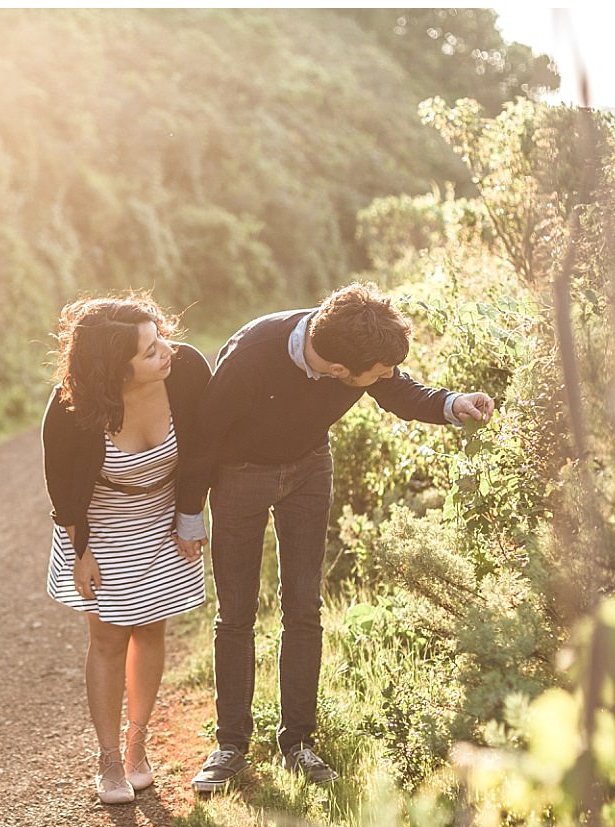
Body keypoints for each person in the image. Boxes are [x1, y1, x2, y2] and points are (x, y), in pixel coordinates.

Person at [172, 282, 495, 793]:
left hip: (308, 471)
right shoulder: (253, 354)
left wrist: (453, 403)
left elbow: (397, 389)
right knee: (236, 612)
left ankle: (297, 743)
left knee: (304, 605)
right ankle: (231, 745)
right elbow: (205, 438)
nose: (384, 377)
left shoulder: (355, 348)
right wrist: (190, 514)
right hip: (239, 476)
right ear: (340, 371)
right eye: (375, 373)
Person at [42, 293, 212, 804]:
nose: (166, 352)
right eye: (149, 350)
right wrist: (81, 552)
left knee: (151, 626)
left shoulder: (186, 372)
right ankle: (109, 758)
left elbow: (204, 450)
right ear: (114, 368)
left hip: (162, 514)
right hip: (100, 523)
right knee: (109, 637)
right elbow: (64, 490)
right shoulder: (72, 407)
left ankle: (138, 745)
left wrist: (189, 515)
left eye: (160, 337)